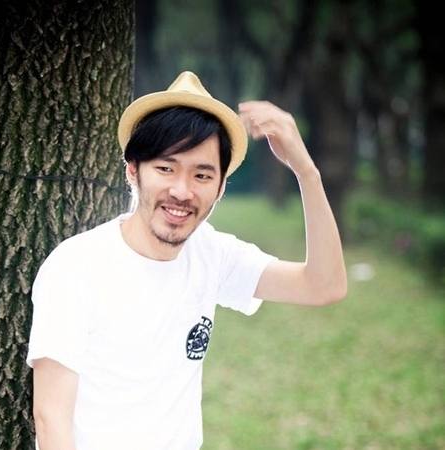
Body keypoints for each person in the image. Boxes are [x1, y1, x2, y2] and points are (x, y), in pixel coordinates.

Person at [27, 71, 347, 450]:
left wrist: (306, 172)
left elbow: (323, 286)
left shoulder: (211, 254)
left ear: (221, 187)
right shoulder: (76, 266)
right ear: (133, 170)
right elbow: (51, 419)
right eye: (166, 168)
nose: (181, 191)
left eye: (202, 175)